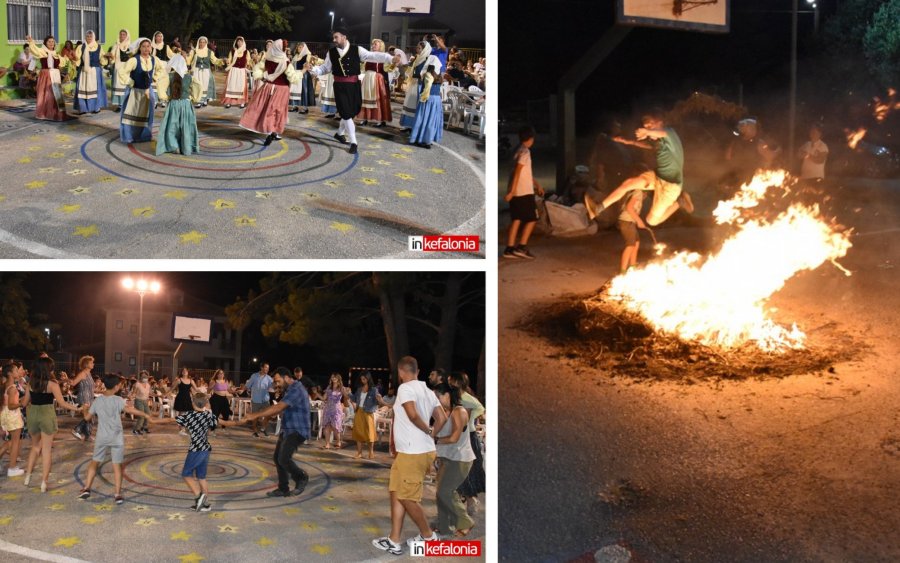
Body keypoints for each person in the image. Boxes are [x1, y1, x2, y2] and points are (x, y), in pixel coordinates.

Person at [371, 356, 448, 556]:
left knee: (407, 497)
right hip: (411, 452)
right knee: (396, 490)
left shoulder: (405, 389)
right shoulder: (428, 391)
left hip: (414, 452)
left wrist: (428, 431)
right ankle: (394, 539)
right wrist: (433, 434)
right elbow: (442, 417)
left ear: (401, 372)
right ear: (418, 370)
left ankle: (429, 537)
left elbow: (413, 415)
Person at [584, 108, 694, 227]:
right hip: (657, 177)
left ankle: (679, 202)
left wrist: (647, 132)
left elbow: (662, 133)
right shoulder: (658, 143)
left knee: (652, 221)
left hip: (671, 185)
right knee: (628, 184)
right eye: (645, 126)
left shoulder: (670, 133)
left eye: (650, 126)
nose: (648, 128)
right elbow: (644, 144)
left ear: (660, 123)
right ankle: (598, 208)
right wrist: (626, 141)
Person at [305, 28, 399, 154]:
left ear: (344, 37)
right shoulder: (331, 52)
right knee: (346, 113)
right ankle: (354, 142)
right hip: (339, 86)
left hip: (354, 85)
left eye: (336, 37)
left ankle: (339, 134)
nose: (334, 40)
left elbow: (373, 56)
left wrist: (390, 58)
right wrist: (314, 69)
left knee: (352, 111)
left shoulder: (357, 49)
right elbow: (325, 68)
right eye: (333, 38)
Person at [227, 367, 310, 497]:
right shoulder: (290, 389)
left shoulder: (297, 389)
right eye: (275, 382)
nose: (276, 384)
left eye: (278, 381)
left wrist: (254, 415)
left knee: (283, 458)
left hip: (297, 430)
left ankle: (301, 477)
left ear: (286, 377)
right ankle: (283, 488)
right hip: (288, 428)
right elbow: (280, 409)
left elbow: (279, 406)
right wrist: (270, 414)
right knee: (277, 458)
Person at [77, 374, 153, 504]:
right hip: (116, 438)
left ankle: (86, 488)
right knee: (117, 466)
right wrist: (145, 414)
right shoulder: (118, 400)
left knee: (95, 462)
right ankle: (117, 494)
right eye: (120, 384)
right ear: (116, 386)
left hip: (102, 437)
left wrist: (84, 409)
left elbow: (87, 418)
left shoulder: (98, 401)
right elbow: (130, 410)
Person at [23, 357, 82, 492]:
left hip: (33, 415)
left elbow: (24, 403)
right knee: (47, 450)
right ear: (48, 369)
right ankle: (44, 482)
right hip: (47, 415)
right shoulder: (52, 384)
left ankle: (27, 477)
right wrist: (77, 409)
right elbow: (62, 403)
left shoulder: (30, 383)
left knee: (35, 447)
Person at [154, 393, 218, 511]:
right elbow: (212, 427)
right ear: (205, 403)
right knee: (201, 477)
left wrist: (153, 421)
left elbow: (170, 420)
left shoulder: (188, 415)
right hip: (206, 449)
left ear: (193, 403)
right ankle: (204, 504)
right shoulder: (210, 416)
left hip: (195, 449)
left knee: (186, 474)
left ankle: (200, 497)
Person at [433, 383, 476, 537]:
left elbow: (454, 438)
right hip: (450, 458)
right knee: (441, 493)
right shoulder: (450, 411)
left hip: (461, 459)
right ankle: (444, 527)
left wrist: (436, 439)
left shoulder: (460, 411)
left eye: (437, 397)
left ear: (446, 395)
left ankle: (465, 522)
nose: (436, 401)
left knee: (445, 491)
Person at [240, 39, 299, 147]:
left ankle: (271, 131)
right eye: (284, 48)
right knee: (277, 111)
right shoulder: (286, 62)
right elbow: (293, 78)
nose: (285, 49)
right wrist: (303, 71)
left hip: (268, 87)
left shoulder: (267, 59)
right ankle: (272, 132)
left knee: (264, 108)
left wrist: (263, 76)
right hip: (281, 90)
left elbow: (257, 69)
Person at [504, 125, 544, 260]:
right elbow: (518, 172)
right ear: (531, 138)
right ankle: (521, 247)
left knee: (517, 218)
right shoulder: (525, 152)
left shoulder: (517, 149)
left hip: (517, 191)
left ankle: (509, 249)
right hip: (523, 192)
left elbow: (524, 172)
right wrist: (512, 191)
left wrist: (537, 185)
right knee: (533, 219)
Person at [117, 38, 168, 144]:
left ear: (151, 48)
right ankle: (129, 136)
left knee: (146, 114)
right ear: (139, 48)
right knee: (132, 114)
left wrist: (155, 78)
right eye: (143, 46)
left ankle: (143, 136)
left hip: (147, 91)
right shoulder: (134, 60)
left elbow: (162, 69)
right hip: (134, 91)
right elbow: (122, 72)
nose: (146, 48)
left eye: (148, 46)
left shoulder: (154, 59)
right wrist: (130, 82)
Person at [448, 372, 485, 507]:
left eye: (450, 381)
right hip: (461, 436)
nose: (449, 384)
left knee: (465, 471)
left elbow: (481, 408)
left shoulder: (466, 398)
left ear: (457, 382)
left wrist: (469, 419)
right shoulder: (456, 397)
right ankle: (465, 502)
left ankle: (469, 502)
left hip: (467, 437)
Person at [156, 53, 199, 156]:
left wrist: (166, 98)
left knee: (172, 126)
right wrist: (193, 99)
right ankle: (186, 146)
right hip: (186, 104)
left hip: (174, 104)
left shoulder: (169, 76)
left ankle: (174, 146)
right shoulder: (189, 77)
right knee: (186, 126)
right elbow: (198, 87)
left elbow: (160, 87)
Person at [23, 35, 71, 121]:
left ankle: (57, 114)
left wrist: (67, 59)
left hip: (55, 75)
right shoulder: (42, 51)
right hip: (46, 76)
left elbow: (62, 62)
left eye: (53, 41)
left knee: (57, 94)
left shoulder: (56, 54)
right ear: (45, 43)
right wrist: (31, 41)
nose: (51, 43)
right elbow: (35, 50)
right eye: (49, 41)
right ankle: (46, 113)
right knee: (47, 95)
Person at [399, 41, 436, 131]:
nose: (417, 49)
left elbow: (429, 74)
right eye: (417, 47)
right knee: (409, 104)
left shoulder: (428, 59)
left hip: (420, 84)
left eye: (419, 48)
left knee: (416, 106)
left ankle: (414, 126)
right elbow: (411, 70)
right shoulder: (417, 58)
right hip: (413, 83)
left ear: (424, 49)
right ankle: (408, 125)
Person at [351, 371, 387, 459]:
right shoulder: (359, 389)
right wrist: (348, 393)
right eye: (361, 379)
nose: (362, 380)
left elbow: (377, 402)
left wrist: (380, 400)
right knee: (358, 432)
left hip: (368, 413)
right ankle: (359, 453)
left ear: (368, 378)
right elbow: (354, 398)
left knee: (369, 433)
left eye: (364, 379)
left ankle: (371, 452)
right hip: (359, 412)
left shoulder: (374, 389)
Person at [72, 30, 109, 114]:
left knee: (96, 89)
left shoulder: (98, 47)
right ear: (85, 37)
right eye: (87, 36)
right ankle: (82, 108)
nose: (89, 38)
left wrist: (107, 57)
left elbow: (102, 60)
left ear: (93, 37)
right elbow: (77, 59)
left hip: (95, 71)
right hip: (84, 71)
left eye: (90, 36)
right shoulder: (81, 47)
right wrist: (74, 58)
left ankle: (96, 107)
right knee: (83, 88)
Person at [358, 39, 392, 127]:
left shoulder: (383, 56)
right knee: (365, 98)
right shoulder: (368, 56)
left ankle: (380, 120)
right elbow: (362, 67)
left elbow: (388, 69)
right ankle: (365, 118)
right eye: (372, 44)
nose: (373, 46)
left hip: (377, 78)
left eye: (375, 44)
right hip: (367, 78)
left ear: (380, 46)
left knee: (377, 99)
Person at [409, 64, 444, 149]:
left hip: (428, 99)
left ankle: (421, 139)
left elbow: (427, 88)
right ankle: (429, 139)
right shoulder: (439, 76)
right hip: (437, 100)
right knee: (432, 120)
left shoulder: (428, 75)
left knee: (423, 119)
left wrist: (422, 97)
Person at [1, 362, 25, 476]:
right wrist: (22, 403)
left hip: (7, 414)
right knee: (15, 443)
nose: (18, 372)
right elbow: (11, 405)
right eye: (16, 370)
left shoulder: (7, 385)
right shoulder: (12, 388)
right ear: (10, 373)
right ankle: (12, 468)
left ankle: (12, 466)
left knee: (11, 442)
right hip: (13, 415)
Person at [186, 36, 222, 108]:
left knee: (205, 86)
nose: (202, 44)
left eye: (203, 42)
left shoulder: (209, 52)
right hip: (196, 71)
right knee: (197, 85)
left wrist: (222, 61)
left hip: (205, 72)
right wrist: (184, 58)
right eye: (200, 42)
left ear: (206, 43)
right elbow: (189, 60)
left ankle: (204, 100)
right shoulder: (194, 51)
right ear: (198, 43)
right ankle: (199, 101)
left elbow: (215, 60)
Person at [618, 188, 646, 274]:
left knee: (636, 243)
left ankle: (632, 266)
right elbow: (629, 208)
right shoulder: (638, 192)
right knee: (630, 245)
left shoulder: (635, 191)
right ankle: (622, 271)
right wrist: (639, 221)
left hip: (629, 221)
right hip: (627, 221)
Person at [70, 355, 96, 441]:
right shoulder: (82, 374)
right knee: (88, 416)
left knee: (90, 417)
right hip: (85, 397)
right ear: (86, 364)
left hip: (90, 397)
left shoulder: (89, 373)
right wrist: (67, 380)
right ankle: (76, 429)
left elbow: (92, 387)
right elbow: (73, 383)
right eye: (91, 362)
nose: (93, 364)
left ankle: (87, 435)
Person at [322, 373, 349, 449]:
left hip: (336, 410)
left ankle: (338, 441)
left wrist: (346, 393)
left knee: (335, 427)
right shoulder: (329, 387)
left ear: (338, 379)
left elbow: (346, 397)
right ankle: (327, 444)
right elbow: (324, 398)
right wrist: (317, 394)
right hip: (328, 409)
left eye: (334, 377)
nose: (333, 378)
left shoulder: (341, 388)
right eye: (332, 377)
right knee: (326, 427)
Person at [222, 36, 250, 109]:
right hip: (233, 70)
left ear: (243, 42)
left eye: (241, 41)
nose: (239, 43)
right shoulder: (233, 51)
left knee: (241, 87)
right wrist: (227, 61)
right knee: (231, 86)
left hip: (241, 71)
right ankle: (229, 102)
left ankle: (242, 102)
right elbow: (230, 60)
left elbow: (249, 61)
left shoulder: (246, 51)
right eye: (238, 41)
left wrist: (252, 63)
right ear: (236, 42)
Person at [109, 29, 133, 111]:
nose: (122, 36)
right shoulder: (116, 45)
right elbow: (112, 57)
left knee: (126, 85)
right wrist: (110, 56)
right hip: (118, 67)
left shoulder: (130, 46)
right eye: (121, 34)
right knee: (118, 85)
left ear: (127, 36)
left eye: (124, 34)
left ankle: (127, 104)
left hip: (127, 68)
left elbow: (133, 58)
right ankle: (119, 104)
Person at [246, 363, 272, 437]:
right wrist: (242, 389)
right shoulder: (254, 376)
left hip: (265, 400)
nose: (267, 369)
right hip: (256, 400)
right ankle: (255, 432)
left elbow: (273, 387)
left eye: (268, 368)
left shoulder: (269, 378)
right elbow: (248, 385)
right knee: (255, 417)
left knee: (268, 415)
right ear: (261, 368)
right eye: (266, 367)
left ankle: (263, 428)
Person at [150, 31, 174, 108]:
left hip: (163, 67)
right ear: (155, 38)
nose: (160, 38)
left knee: (163, 83)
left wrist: (179, 56)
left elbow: (172, 55)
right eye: (158, 36)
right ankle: (155, 101)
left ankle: (162, 100)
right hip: (155, 66)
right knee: (155, 83)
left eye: (161, 36)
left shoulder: (166, 46)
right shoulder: (151, 46)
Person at [291, 42, 316, 114]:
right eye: (298, 47)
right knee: (295, 90)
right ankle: (295, 106)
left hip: (303, 74)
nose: (299, 48)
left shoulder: (307, 55)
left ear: (304, 48)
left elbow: (309, 64)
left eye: (300, 47)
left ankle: (305, 108)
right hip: (296, 74)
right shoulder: (296, 56)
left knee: (304, 91)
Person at [131, 371, 152, 435]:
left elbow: (150, 393)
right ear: (140, 377)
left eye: (145, 376)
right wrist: (131, 396)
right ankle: (136, 429)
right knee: (141, 415)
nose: (144, 377)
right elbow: (134, 392)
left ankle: (144, 427)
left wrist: (159, 395)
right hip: (138, 401)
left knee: (148, 414)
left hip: (145, 401)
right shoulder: (137, 384)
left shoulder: (148, 385)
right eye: (142, 376)